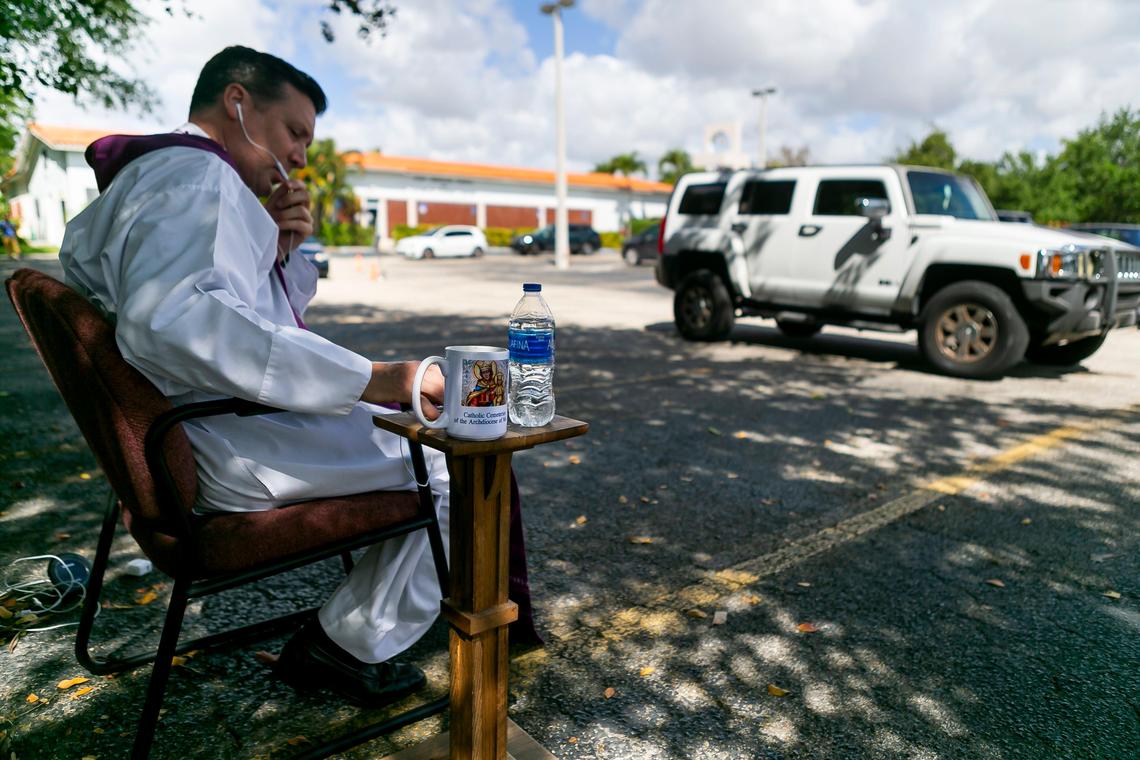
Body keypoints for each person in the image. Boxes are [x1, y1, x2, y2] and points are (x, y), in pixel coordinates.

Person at [58, 46, 538, 709]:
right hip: (222, 443)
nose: (303, 156)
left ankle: (355, 631)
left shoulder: (157, 177)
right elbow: (175, 321)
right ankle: (346, 648)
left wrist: (277, 248)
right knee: (456, 462)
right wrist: (374, 378)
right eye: (294, 132)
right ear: (238, 103)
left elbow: (236, 314)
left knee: (427, 442)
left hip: (187, 433)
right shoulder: (199, 178)